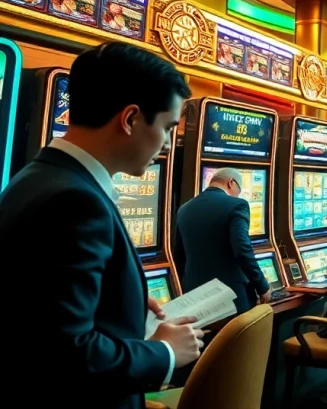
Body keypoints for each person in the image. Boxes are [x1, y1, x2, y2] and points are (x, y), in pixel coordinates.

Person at [0, 43, 203, 408]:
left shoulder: (40, 176)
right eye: (168, 127)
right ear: (130, 119)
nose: (170, 144)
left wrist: (124, 298)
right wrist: (164, 352)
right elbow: (68, 353)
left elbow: (38, 310)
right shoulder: (76, 202)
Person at [174, 167, 270, 313]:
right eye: (240, 189)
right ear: (231, 183)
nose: (239, 193)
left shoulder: (184, 208)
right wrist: (262, 286)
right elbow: (242, 250)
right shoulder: (237, 205)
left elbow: (179, 256)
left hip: (194, 298)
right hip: (230, 297)